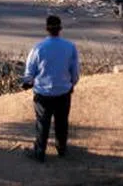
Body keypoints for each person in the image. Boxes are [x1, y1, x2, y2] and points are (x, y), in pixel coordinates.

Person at [21, 14, 80, 162]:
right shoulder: (70, 47)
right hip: (63, 92)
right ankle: (61, 148)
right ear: (60, 28)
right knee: (61, 122)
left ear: (46, 29)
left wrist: (28, 82)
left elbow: (29, 72)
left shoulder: (38, 48)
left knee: (42, 123)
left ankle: (40, 152)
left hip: (43, 93)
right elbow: (75, 72)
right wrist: (71, 84)